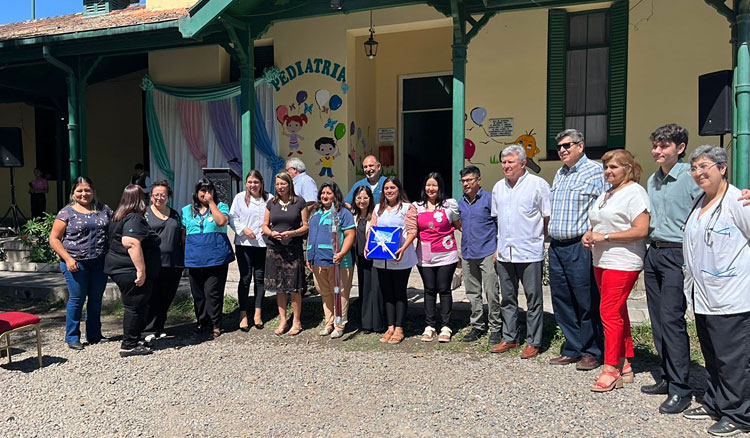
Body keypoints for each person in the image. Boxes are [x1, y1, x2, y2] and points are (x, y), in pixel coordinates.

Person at [681, 145, 750, 436]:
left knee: (732, 359)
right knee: (712, 354)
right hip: (703, 294)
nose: (698, 173)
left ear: (722, 168)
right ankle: (715, 401)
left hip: (731, 295)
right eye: (694, 168)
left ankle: (739, 414)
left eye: (704, 166)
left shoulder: (739, 201)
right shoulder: (701, 201)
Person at [642, 124, 701, 413]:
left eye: (663, 146)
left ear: (679, 148)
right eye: (655, 145)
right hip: (654, 253)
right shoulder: (653, 180)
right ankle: (666, 375)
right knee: (657, 320)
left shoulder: (692, 177)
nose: (657, 151)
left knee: (672, 320)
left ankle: (681, 389)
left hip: (678, 254)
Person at [582, 149, 649, 392]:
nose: (608, 171)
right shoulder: (607, 194)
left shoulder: (635, 193)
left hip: (622, 261)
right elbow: (598, 223)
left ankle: (610, 368)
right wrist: (589, 235)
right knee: (617, 311)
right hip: (601, 259)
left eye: (614, 167)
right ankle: (624, 362)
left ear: (628, 168)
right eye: (606, 167)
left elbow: (641, 229)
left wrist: (606, 236)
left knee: (608, 313)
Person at [547, 128, 605, 371]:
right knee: (562, 300)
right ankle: (572, 347)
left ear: (581, 146)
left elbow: (604, 206)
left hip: (579, 246)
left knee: (585, 300)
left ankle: (592, 351)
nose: (562, 150)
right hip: (557, 246)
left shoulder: (595, 171)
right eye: (559, 146)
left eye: (567, 145)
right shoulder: (560, 174)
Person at [490, 145, 550, 359]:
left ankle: (533, 341)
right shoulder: (498, 187)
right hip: (505, 252)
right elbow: (498, 220)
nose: (506, 166)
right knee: (507, 298)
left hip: (530, 252)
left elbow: (546, 217)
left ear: (523, 163)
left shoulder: (538, 185)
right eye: (504, 162)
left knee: (533, 299)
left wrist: (537, 239)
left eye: (510, 162)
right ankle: (510, 337)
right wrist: (498, 249)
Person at [49, 177, 112, 350]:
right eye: (80, 190)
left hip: (99, 262)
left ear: (93, 191)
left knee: (96, 299)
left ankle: (94, 335)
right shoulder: (66, 213)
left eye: (87, 190)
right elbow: (54, 239)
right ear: (73, 193)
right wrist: (68, 259)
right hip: (76, 263)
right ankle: (72, 337)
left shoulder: (103, 210)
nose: (84, 194)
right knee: (77, 299)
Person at [105, 185, 161, 357]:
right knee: (134, 306)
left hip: (119, 267)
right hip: (128, 269)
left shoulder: (117, 216)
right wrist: (141, 270)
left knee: (136, 305)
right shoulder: (133, 218)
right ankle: (129, 344)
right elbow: (131, 243)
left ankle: (134, 339)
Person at [409, 172, 460, 343]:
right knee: (429, 289)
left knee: (444, 289)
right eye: (428, 185)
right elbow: (411, 229)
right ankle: (429, 325)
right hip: (424, 255)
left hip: (447, 254)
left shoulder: (449, 205)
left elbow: (459, 225)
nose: (431, 188)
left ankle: (446, 326)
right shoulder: (416, 206)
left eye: (435, 185)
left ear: (440, 187)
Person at [182, 177, 235, 339]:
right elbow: (184, 234)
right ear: (196, 193)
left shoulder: (221, 207)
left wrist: (212, 203)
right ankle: (201, 322)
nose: (206, 194)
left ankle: (215, 324)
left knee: (213, 292)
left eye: (209, 190)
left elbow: (221, 222)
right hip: (195, 257)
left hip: (216, 256)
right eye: (203, 191)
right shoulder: (186, 210)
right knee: (198, 293)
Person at [368, 177, 418, 345]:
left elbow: (412, 231)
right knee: (387, 293)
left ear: (399, 189)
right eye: (386, 188)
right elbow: (373, 230)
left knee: (399, 292)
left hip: (400, 257)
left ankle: (399, 327)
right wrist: (368, 246)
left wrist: (403, 248)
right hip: (382, 258)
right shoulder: (378, 208)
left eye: (392, 188)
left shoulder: (407, 208)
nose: (389, 191)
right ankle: (390, 326)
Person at [262, 171, 309, 335]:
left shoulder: (299, 202)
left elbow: (305, 226)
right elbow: (265, 226)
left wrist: (293, 233)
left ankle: (296, 321)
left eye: (283, 183)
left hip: (293, 248)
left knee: (294, 288)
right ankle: (283, 320)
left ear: (290, 184)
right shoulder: (271, 203)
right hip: (275, 249)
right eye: (277, 184)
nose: (280, 187)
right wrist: (271, 233)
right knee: (279, 288)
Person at [457, 165, 500, 345]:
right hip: (468, 253)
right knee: (473, 292)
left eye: (469, 180)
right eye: (463, 181)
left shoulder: (490, 199)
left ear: (478, 180)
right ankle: (478, 326)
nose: (466, 184)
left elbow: (501, 225)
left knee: (491, 292)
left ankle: (496, 327)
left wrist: (498, 250)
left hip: (487, 252)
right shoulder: (461, 203)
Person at [307, 182, 356, 338]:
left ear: (335, 195)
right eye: (323, 193)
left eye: (328, 193)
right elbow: (311, 236)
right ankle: (329, 322)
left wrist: (341, 253)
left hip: (339, 262)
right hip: (318, 261)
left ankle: (339, 325)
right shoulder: (316, 213)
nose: (325, 196)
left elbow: (350, 235)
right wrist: (309, 256)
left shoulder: (343, 213)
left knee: (339, 293)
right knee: (326, 293)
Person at [142, 180, 184, 342]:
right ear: (151, 196)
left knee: (167, 298)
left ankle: (160, 327)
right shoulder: (144, 214)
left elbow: (181, 237)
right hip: (152, 263)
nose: (159, 198)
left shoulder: (174, 214)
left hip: (173, 263)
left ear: (168, 197)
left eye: (163, 195)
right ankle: (148, 330)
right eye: (156, 195)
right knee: (152, 298)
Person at [230, 170, 271, 332]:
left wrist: (269, 228)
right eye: (250, 182)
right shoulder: (240, 198)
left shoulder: (269, 198)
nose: (253, 185)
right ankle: (243, 313)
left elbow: (274, 217)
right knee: (245, 278)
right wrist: (243, 229)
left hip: (262, 244)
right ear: (246, 183)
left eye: (256, 182)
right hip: (244, 243)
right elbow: (232, 218)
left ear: (261, 183)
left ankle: (258, 312)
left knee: (260, 278)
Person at [350, 185, 385, 334]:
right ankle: (365, 323)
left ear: (370, 199)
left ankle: (378, 324)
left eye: (365, 197)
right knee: (364, 289)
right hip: (360, 258)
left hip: (375, 257)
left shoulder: (376, 214)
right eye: (359, 197)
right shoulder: (353, 215)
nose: (362, 200)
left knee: (376, 289)